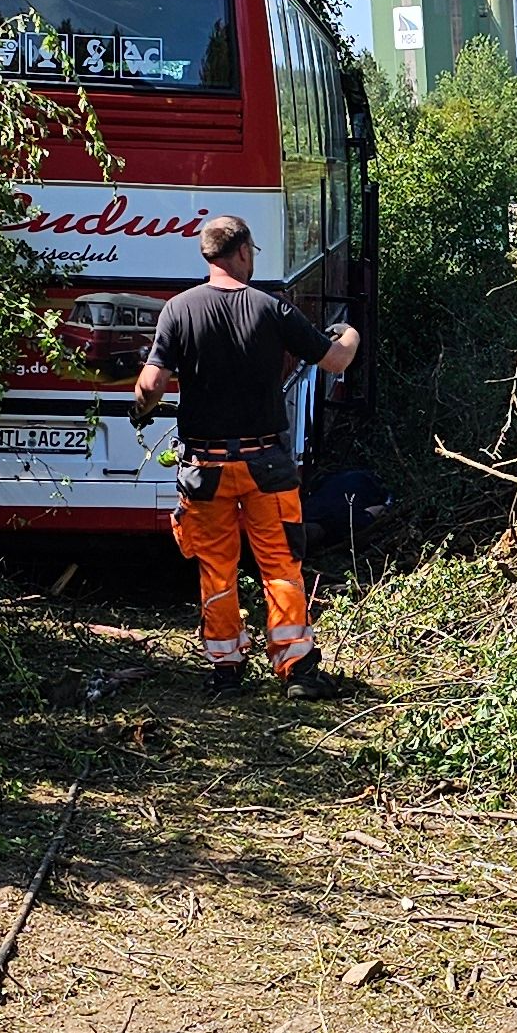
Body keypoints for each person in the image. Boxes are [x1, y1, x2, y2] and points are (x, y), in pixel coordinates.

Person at [130, 213, 359, 692]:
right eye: (252, 251)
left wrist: (141, 409)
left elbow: (150, 385)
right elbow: (335, 359)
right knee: (279, 563)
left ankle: (226, 670)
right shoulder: (270, 309)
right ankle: (296, 668)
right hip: (266, 466)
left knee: (216, 566)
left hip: (204, 466)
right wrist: (349, 333)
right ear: (241, 252)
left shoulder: (178, 310)